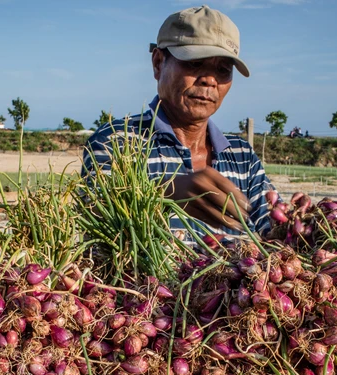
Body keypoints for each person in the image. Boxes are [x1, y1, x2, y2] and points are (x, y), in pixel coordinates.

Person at [82, 5, 280, 238]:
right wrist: (165, 191)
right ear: (158, 63)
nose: (209, 80)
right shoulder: (116, 142)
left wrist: (305, 220)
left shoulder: (242, 156)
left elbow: (273, 235)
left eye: (223, 70)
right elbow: (98, 218)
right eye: (194, 63)